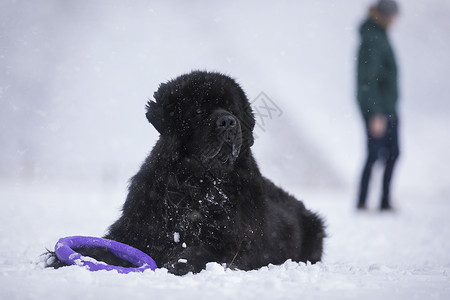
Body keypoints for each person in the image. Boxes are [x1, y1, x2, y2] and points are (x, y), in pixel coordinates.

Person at [356, 0, 400, 211]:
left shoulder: (379, 34)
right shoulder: (373, 38)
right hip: (380, 109)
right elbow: (368, 79)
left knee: (390, 153)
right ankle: (365, 202)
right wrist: (375, 113)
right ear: (386, 15)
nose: (396, 20)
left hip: (386, 107)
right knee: (375, 154)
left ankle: (381, 200)